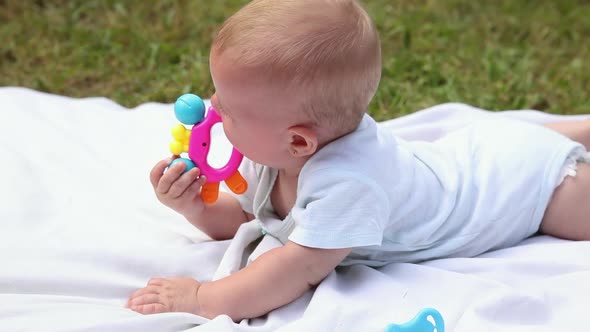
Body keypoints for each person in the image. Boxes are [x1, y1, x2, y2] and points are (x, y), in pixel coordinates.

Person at [127, 0, 590, 322]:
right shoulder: (270, 152)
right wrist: (195, 208)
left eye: (227, 107)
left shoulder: (348, 184)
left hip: (524, 187)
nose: (211, 108)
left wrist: (204, 298)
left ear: (300, 142)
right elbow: (250, 216)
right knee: (508, 142)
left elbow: (293, 268)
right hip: (481, 155)